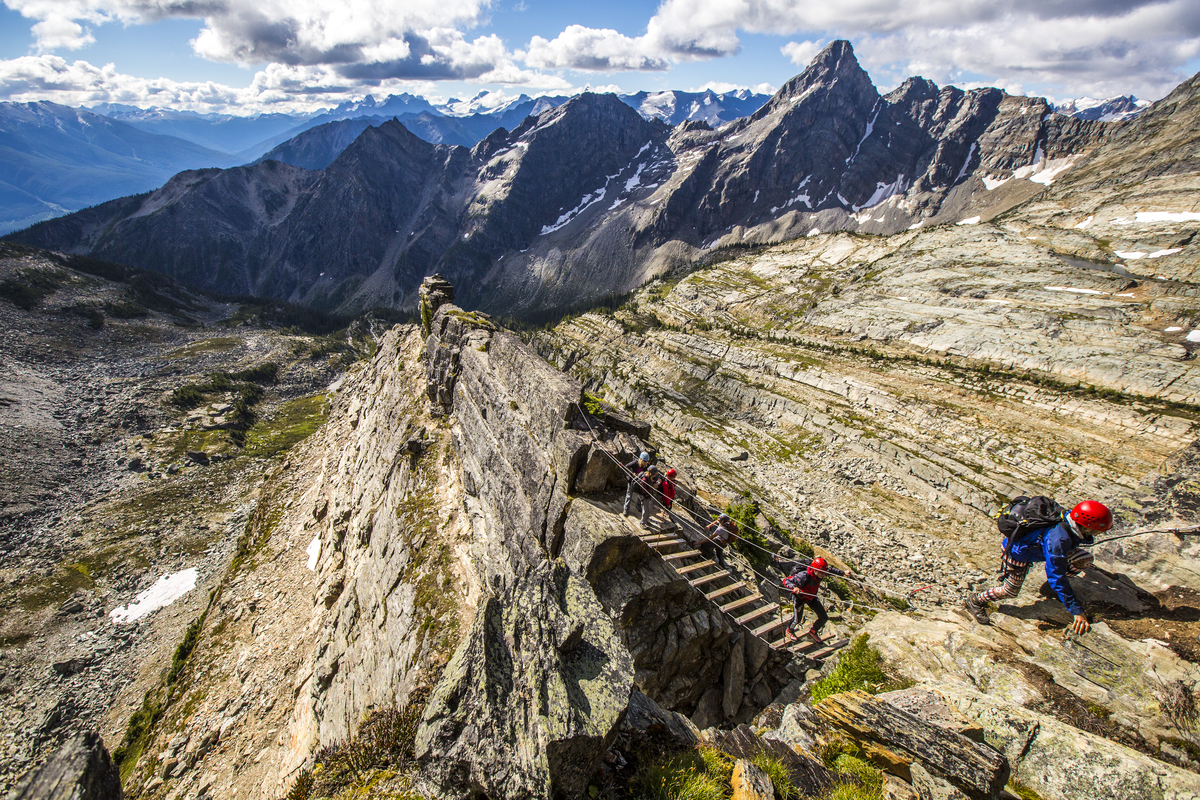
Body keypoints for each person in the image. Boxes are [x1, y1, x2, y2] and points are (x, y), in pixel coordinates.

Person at [965, 500, 1111, 635]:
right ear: (1087, 526)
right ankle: (976, 600)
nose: (1099, 534)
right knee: (1010, 591)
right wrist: (1077, 611)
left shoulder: (1068, 518)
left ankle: (1050, 589)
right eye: (1098, 530)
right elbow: (1056, 576)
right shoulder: (1058, 540)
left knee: (1084, 559)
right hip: (1017, 554)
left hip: (1036, 548)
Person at [774, 554, 856, 644]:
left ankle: (812, 632)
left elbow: (831, 570)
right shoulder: (803, 576)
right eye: (822, 573)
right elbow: (786, 580)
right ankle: (789, 630)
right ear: (816, 570)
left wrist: (843, 573)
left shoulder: (821, 571)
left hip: (811, 597)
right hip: (799, 597)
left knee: (823, 617)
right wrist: (794, 587)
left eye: (824, 573)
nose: (824, 575)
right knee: (797, 619)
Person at [623, 452, 649, 517]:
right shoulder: (635, 463)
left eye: (646, 461)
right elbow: (626, 466)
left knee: (640, 495)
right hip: (632, 480)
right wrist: (632, 473)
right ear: (640, 459)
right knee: (629, 494)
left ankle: (638, 505)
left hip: (640, 482)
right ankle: (626, 509)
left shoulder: (646, 466)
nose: (645, 463)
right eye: (644, 461)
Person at [637, 464, 664, 529]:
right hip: (643, 497)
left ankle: (646, 520)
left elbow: (651, 482)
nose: (655, 476)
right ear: (651, 474)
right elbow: (644, 491)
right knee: (645, 510)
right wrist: (653, 487)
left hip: (647, 496)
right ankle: (642, 523)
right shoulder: (644, 479)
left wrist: (657, 482)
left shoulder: (649, 477)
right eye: (654, 475)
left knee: (648, 509)